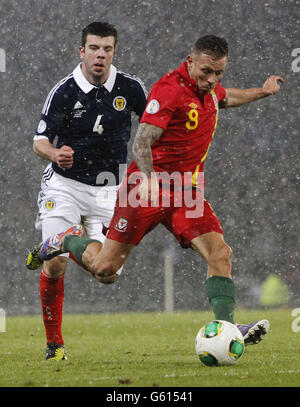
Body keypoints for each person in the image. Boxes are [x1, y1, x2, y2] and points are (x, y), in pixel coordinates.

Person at [39, 35, 284, 348]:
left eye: (218, 73)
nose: (211, 80)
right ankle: (63, 239)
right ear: (190, 61)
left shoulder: (208, 90)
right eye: (206, 71)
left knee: (220, 253)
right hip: (144, 188)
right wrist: (151, 179)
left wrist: (262, 92)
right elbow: (141, 141)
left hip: (186, 192)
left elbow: (225, 97)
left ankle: (227, 330)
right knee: (105, 270)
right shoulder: (170, 90)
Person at [27, 21, 148, 360]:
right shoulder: (64, 91)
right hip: (64, 186)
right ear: (82, 51)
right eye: (94, 48)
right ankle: (55, 345)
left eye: (107, 49)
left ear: (114, 52)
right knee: (55, 266)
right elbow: (39, 141)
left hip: (110, 190)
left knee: (108, 274)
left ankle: (61, 241)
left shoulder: (130, 88)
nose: (100, 55)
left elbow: (155, 122)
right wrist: (54, 153)